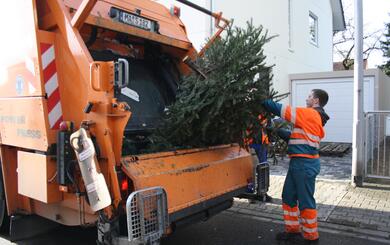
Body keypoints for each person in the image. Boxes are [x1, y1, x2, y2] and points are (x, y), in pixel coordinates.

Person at [262, 89, 330, 244]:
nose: (307, 98)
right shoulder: (313, 118)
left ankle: (311, 238)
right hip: (298, 163)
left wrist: (262, 101)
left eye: (309, 96)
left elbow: (282, 110)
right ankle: (293, 232)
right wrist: (276, 131)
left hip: (305, 164)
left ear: (316, 101)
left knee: (305, 201)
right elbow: (294, 137)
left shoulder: (311, 114)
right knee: (288, 196)